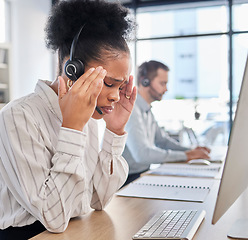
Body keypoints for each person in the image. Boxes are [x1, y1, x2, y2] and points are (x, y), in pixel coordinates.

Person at [0, 0, 136, 239]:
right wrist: (72, 128)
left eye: (121, 86)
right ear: (71, 68)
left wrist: (115, 131)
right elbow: (52, 217)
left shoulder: (89, 118)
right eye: (108, 83)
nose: (115, 95)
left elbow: (98, 199)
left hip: (75, 231)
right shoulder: (19, 116)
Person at [123, 60, 210, 185]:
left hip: (142, 174)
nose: (166, 89)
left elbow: (163, 141)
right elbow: (142, 154)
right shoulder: (132, 110)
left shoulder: (147, 110)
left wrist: (191, 150)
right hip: (126, 180)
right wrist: (187, 155)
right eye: (162, 83)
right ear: (145, 82)